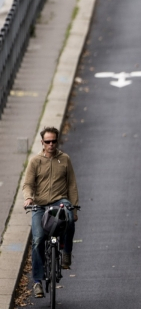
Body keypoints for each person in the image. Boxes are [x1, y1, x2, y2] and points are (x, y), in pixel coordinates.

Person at [23, 127, 79, 298]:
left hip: (59, 201)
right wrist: (28, 198)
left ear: (57, 141)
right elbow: (28, 185)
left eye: (54, 141)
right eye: (47, 142)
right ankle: (38, 282)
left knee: (69, 219)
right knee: (38, 239)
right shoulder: (35, 162)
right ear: (42, 143)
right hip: (39, 205)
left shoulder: (65, 159)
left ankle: (66, 253)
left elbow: (72, 185)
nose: (51, 144)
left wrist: (74, 207)